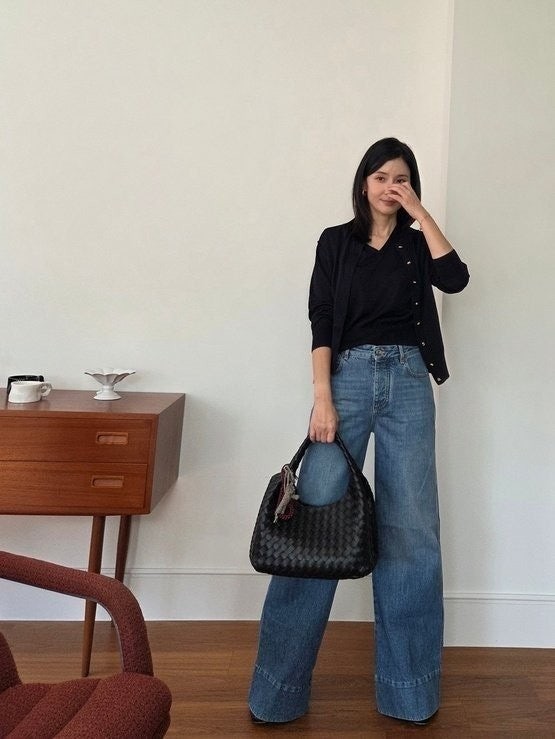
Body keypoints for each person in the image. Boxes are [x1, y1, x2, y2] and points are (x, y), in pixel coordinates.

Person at [248, 137, 470, 727]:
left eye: (401, 178)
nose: (390, 187)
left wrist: (421, 213)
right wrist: (322, 398)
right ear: (363, 183)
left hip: (409, 382)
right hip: (344, 382)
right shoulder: (335, 242)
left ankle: (409, 692)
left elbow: (456, 279)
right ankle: (277, 693)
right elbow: (322, 318)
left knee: (412, 533)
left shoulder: (416, 244)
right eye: (381, 177)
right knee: (312, 529)